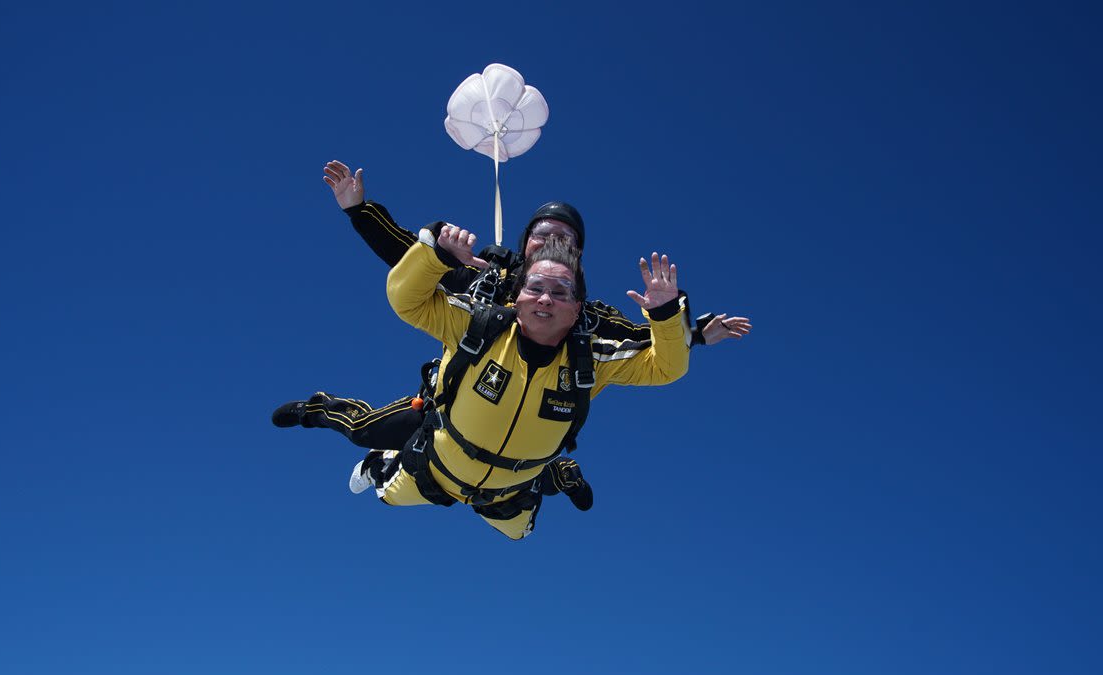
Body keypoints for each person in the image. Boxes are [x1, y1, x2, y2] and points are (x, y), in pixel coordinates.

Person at [272, 161, 751, 511]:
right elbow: (406, 264)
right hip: (456, 396)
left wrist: (691, 331)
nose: (552, 246)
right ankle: (321, 411)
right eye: (542, 235)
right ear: (525, 241)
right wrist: (363, 213)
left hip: (529, 416)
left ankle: (554, 471)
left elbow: (645, 343)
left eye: (567, 241)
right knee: (365, 430)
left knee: (521, 467)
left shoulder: (582, 314)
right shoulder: (485, 275)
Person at [369, 228, 689, 539]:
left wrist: (665, 315)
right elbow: (407, 302)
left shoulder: (591, 359)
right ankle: (380, 460)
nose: (546, 299)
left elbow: (665, 368)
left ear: (578, 309)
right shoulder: (476, 325)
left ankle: (554, 477)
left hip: (509, 494)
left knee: (519, 532)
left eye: (561, 292)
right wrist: (434, 256)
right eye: (535, 288)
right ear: (518, 296)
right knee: (386, 493)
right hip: (437, 468)